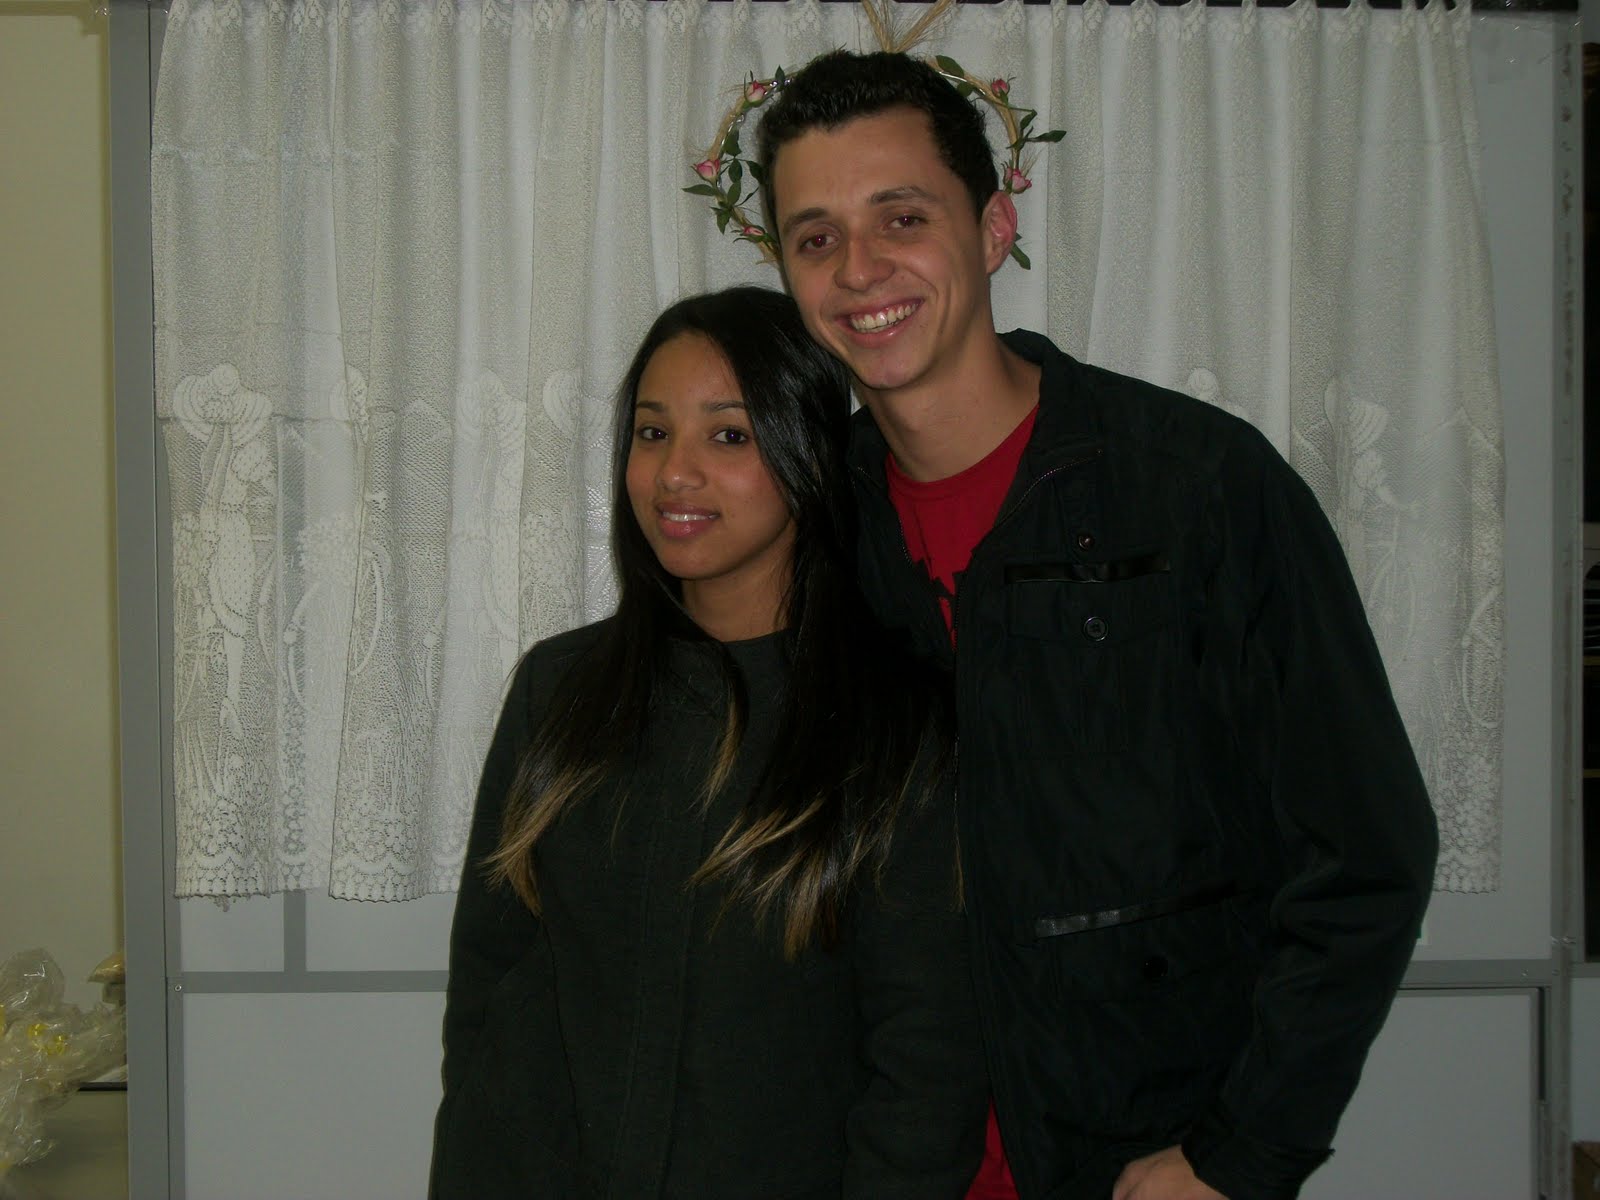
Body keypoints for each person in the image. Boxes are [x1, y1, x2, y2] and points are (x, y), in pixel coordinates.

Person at [753, 51, 1439, 1200]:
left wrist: (1240, 1155)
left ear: (993, 228)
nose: (858, 268)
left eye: (902, 217)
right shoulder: (818, 530)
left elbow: (1365, 854)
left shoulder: (1196, 487)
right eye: (815, 237)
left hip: (1136, 1166)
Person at [428, 285, 988, 1199]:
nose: (674, 473)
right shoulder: (559, 690)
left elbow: (927, 1075)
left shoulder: (896, 730)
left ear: (806, 452)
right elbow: (487, 997)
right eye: (652, 432)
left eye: (728, 435)